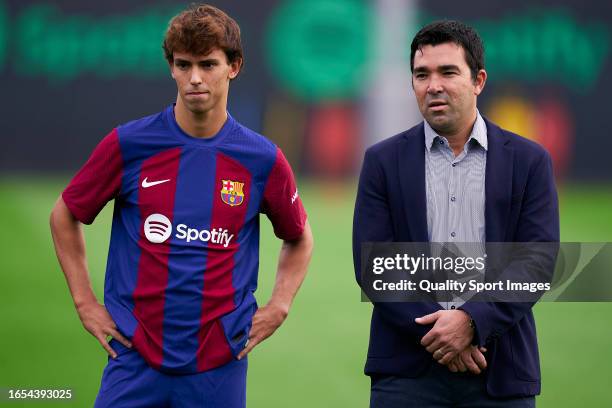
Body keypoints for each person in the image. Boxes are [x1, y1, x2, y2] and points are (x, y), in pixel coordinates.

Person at [50, 4, 313, 407]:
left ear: (234, 67)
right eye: (183, 64)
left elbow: (298, 237)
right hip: (134, 355)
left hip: (218, 362)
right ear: (170, 67)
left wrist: (280, 304)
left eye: (208, 64)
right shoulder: (129, 144)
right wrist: (85, 303)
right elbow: (65, 214)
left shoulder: (262, 159)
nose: (194, 78)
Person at [353, 20, 559, 407]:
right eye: (421, 74)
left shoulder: (530, 161)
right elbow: (374, 264)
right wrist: (443, 335)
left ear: (478, 80)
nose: (434, 85)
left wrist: (473, 322)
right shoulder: (382, 161)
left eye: (448, 72)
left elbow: (536, 261)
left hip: (499, 370)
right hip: (405, 374)